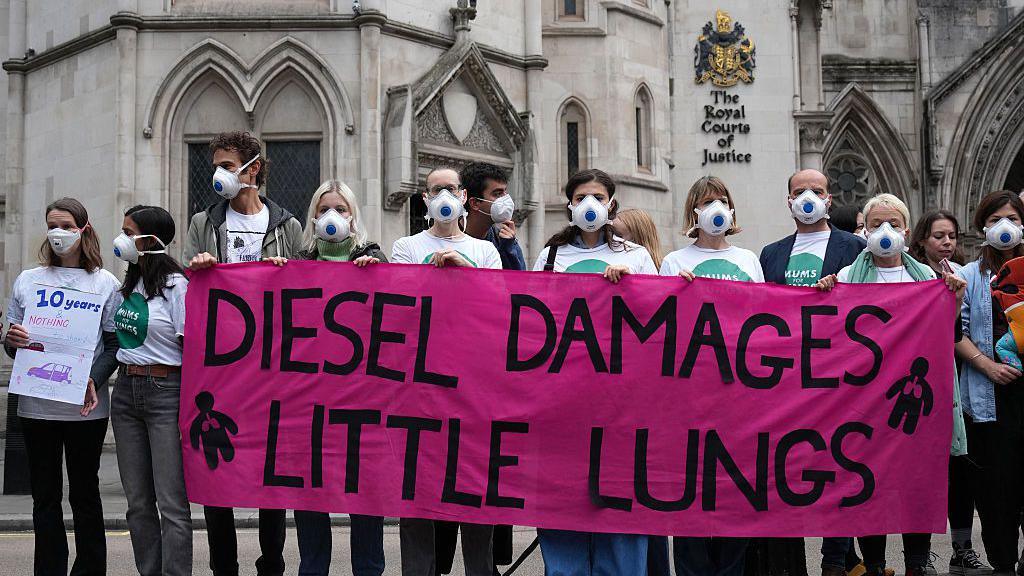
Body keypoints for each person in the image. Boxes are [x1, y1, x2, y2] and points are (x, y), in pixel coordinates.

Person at [815, 193, 966, 576]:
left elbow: (945, 337)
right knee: (871, 488)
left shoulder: (929, 279)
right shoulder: (849, 276)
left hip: (913, 408)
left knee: (917, 484)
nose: (885, 232)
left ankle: (917, 563)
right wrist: (824, 295)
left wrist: (955, 300)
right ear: (863, 230)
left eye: (894, 224)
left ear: (906, 229)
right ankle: (878, 565)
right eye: (876, 224)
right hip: (866, 405)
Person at [184, 131, 303, 576]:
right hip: (219, 365)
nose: (220, 173)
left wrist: (286, 275)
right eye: (216, 164)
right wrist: (196, 270)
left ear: (253, 169)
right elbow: (187, 280)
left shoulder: (287, 224)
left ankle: (271, 561)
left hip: (271, 366)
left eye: (228, 165)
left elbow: (305, 286)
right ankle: (224, 566)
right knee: (218, 468)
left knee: (270, 470)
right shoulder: (205, 221)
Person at [533, 168, 656, 575]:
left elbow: (656, 323)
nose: (590, 204)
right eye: (582, 196)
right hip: (563, 402)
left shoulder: (634, 257)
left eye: (598, 196)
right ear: (569, 205)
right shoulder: (550, 257)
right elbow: (533, 322)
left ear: (611, 204)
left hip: (620, 405)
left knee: (619, 502)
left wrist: (632, 287)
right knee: (562, 499)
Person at [391, 167, 501, 576]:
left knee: (474, 498)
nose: (444, 195)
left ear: (463, 197)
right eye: (436, 189)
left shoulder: (485, 251)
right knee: (417, 500)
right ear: (425, 198)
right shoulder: (405, 246)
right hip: (418, 393)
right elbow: (400, 310)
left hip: (473, 394)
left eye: (451, 188)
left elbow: (496, 311)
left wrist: (464, 271)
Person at [757, 169, 866, 576]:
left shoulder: (854, 247)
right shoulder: (770, 253)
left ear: (829, 198)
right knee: (790, 470)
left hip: (837, 377)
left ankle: (836, 560)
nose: (807, 197)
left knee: (836, 466)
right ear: (787, 200)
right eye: (799, 191)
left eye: (816, 191)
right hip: (785, 379)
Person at [4, 197, 121, 575]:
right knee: (45, 498)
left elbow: (116, 345)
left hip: (86, 409)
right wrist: (13, 340)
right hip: (37, 407)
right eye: (53, 225)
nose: (59, 233)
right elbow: (10, 340)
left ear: (84, 229)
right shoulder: (27, 279)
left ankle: (90, 569)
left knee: (85, 495)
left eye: (67, 226)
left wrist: (94, 378)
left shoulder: (105, 283)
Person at [661, 176, 761, 576]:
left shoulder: (748, 260)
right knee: (692, 492)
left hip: (738, 393)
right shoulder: (674, 262)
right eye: (706, 202)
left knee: (734, 491)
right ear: (694, 212)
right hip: (691, 395)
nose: (715, 208)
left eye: (721, 200)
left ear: (731, 209)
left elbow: (765, 320)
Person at [290, 180, 386, 576]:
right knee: (311, 496)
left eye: (341, 209)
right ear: (313, 216)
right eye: (325, 208)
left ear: (353, 215)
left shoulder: (374, 258)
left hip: (363, 401)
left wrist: (378, 276)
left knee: (366, 496)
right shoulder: (299, 263)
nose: (333, 216)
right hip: (309, 401)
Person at [445, 161, 522, 575]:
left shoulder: (502, 245)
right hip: (443, 379)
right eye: (496, 194)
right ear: (472, 201)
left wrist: (510, 248)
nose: (504, 201)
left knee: (485, 485)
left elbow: (520, 299)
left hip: (488, 380)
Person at [109, 205, 192, 576]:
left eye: (130, 232)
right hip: (125, 392)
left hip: (165, 391)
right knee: (138, 503)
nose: (122, 239)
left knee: (171, 503)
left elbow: (191, 347)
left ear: (151, 239)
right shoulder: (128, 284)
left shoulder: (177, 286)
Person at [954, 190, 1024, 576]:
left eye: (1013, 218)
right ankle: (1002, 562)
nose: (1005, 226)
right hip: (987, 397)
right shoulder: (968, 276)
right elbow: (955, 332)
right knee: (996, 490)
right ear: (982, 225)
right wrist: (986, 366)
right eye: (997, 218)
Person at [460, 161, 526, 270]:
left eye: (505, 192)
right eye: (497, 194)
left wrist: (508, 249)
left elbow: (519, 282)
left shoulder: (504, 240)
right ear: (475, 203)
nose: (506, 199)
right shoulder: (448, 237)